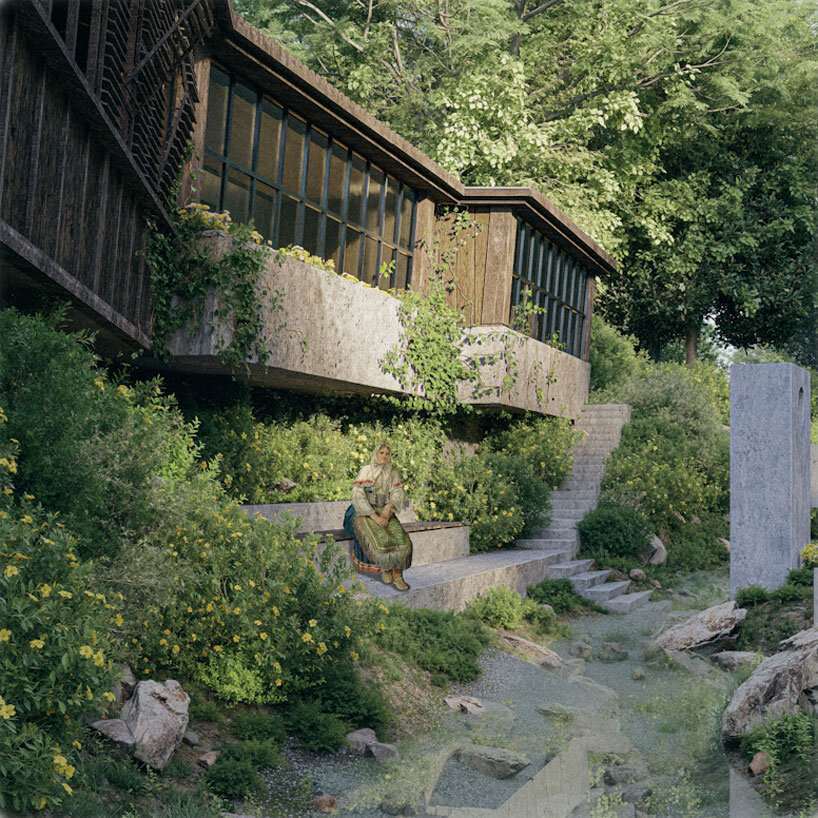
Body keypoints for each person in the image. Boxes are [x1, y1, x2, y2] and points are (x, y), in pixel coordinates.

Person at [343, 443, 413, 591]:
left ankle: (398, 575)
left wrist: (388, 508)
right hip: (363, 509)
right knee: (378, 534)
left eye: (387, 453)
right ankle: (385, 567)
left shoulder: (393, 472)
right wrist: (374, 516)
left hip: (385, 508)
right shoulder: (366, 470)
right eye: (381, 453)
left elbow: (397, 492)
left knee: (400, 537)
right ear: (376, 454)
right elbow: (358, 496)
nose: (384, 456)